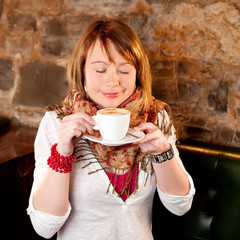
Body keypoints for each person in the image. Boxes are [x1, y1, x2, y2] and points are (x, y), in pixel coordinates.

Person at [27, 18, 195, 240]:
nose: (113, 81)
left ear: (137, 75)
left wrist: (162, 150)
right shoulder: (58, 122)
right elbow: (44, 226)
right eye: (100, 69)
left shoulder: (155, 117)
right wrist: (63, 152)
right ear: (82, 71)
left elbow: (180, 206)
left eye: (124, 71)